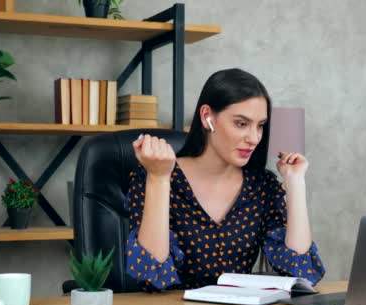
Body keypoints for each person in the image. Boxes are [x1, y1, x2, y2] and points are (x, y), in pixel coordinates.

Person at [126, 68, 325, 291]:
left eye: (260, 125)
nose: (254, 138)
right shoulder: (156, 175)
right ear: (207, 117)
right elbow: (150, 277)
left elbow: (300, 273)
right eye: (241, 124)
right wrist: (159, 178)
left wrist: (295, 182)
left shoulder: (261, 186)